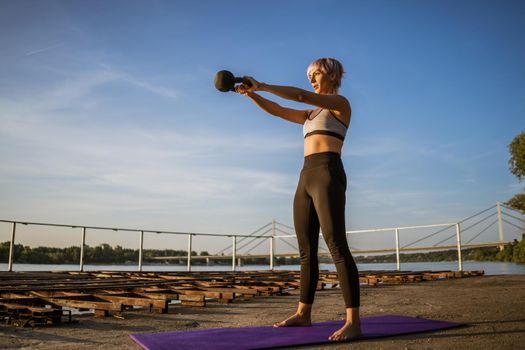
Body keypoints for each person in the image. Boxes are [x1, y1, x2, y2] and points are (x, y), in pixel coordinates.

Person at [234, 58, 361, 341]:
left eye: (315, 73)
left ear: (331, 74)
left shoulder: (341, 104)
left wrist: (263, 84)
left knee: (337, 246)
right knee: (306, 251)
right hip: (306, 176)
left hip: (328, 172)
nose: (311, 79)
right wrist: (252, 94)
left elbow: (302, 95)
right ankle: (304, 313)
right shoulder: (310, 114)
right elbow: (278, 111)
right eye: (308, 75)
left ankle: (353, 321)